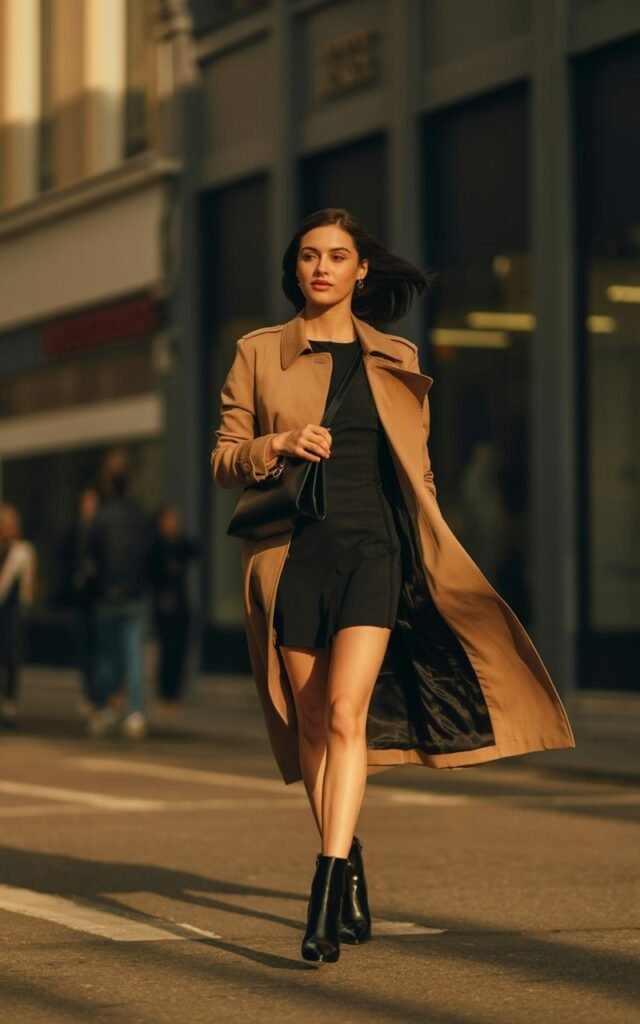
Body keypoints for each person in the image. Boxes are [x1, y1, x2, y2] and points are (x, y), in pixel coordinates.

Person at [210, 207, 575, 964]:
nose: (322, 268)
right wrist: (277, 443)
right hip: (293, 557)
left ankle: (323, 892)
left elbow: (419, 468)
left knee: (348, 715)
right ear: (296, 269)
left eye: (337, 256)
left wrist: (429, 553)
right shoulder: (258, 351)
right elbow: (223, 459)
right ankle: (348, 854)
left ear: (361, 269)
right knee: (314, 722)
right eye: (310, 256)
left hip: (374, 552)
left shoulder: (396, 355)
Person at [86, 450, 151, 739]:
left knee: (107, 658)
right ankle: (135, 712)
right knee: (133, 656)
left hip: (107, 595)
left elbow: (89, 556)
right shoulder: (139, 515)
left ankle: (104, 710)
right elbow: (149, 553)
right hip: (134, 594)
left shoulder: (101, 516)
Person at [148, 505, 199, 710]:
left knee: (180, 650)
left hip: (180, 604)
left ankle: (175, 694)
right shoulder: (156, 546)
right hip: (162, 605)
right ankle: (165, 694)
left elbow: (196, 550)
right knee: (167, 650)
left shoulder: (180, 544)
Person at [59, 486, 101, 715]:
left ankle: (99, 693)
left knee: (99, 647)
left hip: (98, 597)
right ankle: (88, 691)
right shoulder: (74, 530)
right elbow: (64, 556)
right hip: (80, 598)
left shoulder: (101, 529)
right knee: (84, 646)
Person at [0, 504, 36, 728]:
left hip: (12, 611)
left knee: (11, 656)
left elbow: (29, 585)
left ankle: (9, 704)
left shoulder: (23, 551)